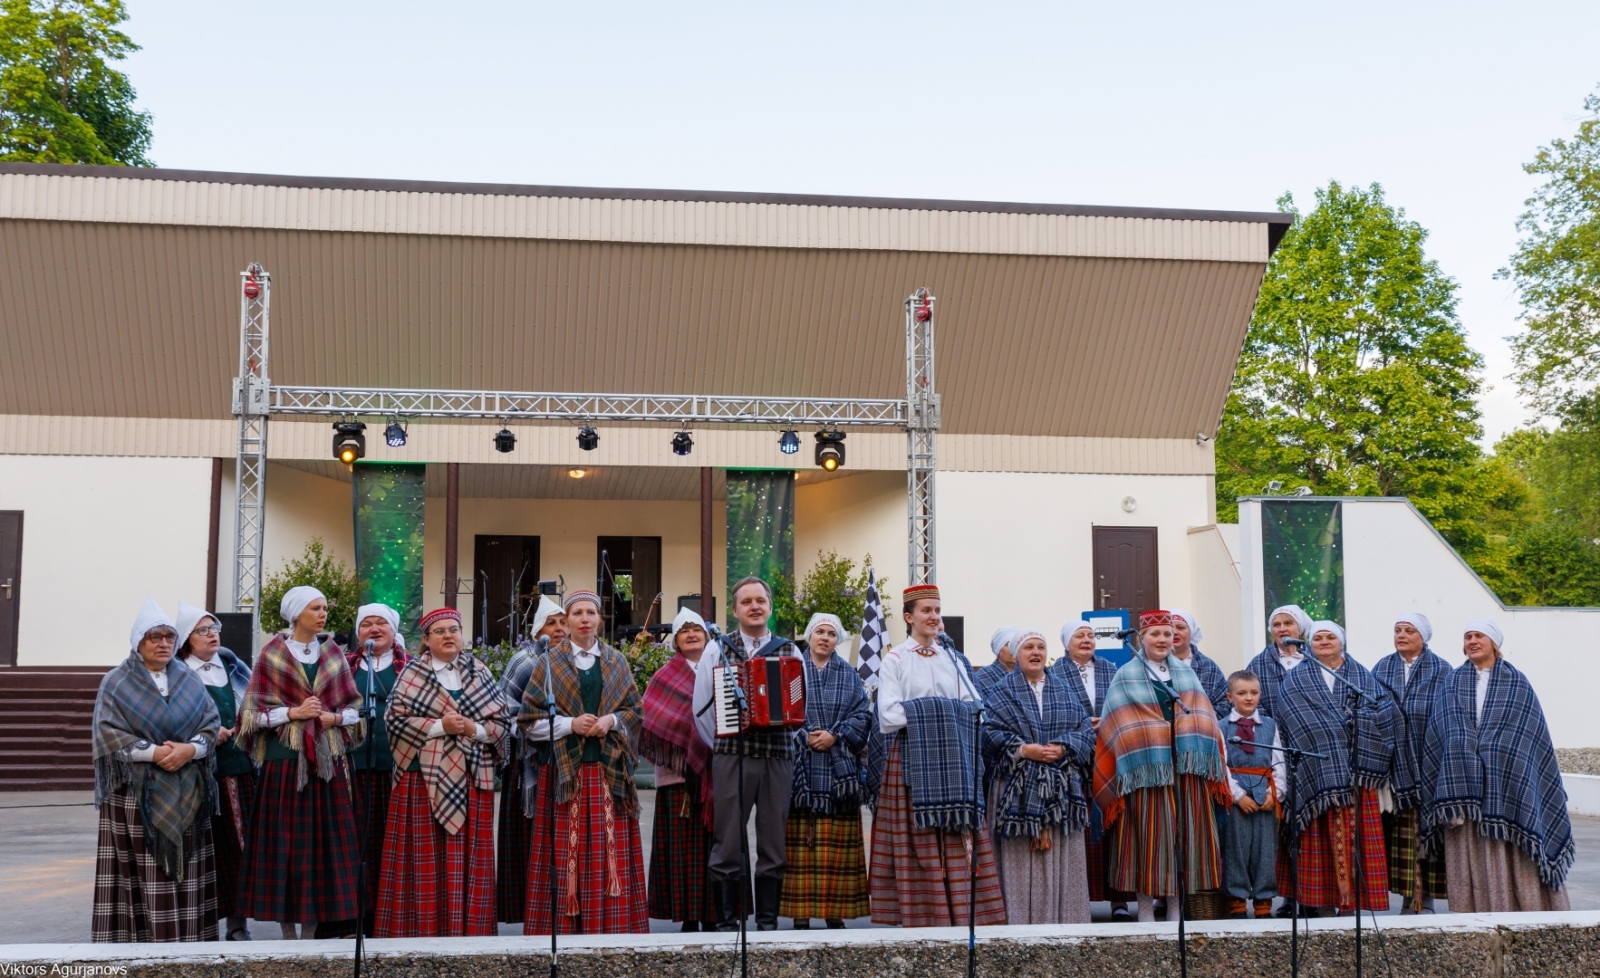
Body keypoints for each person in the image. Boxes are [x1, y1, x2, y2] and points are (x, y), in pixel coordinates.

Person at [868, 583, 1007, 927]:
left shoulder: (954, 659)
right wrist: (941, 710)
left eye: (937, 610)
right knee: (919, 838)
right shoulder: (895, 660)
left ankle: (959, 912)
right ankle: (924, 914)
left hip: (954, 755)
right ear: (908, 617)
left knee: (957, 834)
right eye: (926, 610)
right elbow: (887, 716)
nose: (934, 617)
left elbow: (975, 707)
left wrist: (928, 710)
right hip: (912, 753)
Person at [235, 586, 366, 940]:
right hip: (284, 765)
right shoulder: (272, 656)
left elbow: (354, 710)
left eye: (324, 608)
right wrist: (292, 712)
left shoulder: (334, 654)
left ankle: (310, 933)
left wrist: (332, 719)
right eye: (314, 608)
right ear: (296, 615)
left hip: (327, 766)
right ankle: (288, 934)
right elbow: (249, 717)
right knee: (286, 850)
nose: (322, 614)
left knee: (322, 849)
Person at [1420, 620, 1574, 912]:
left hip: (1511, 789)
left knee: (1514, 851)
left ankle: (1525, 908)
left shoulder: (1516, 682)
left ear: (1494, 643)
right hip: (1462, 795)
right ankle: (1471, 911)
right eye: (1467, 637)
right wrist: (1463, 749)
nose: (1472, 641)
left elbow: (1529, 734)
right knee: (1470, 853)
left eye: (1479, 636)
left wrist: (1493, 748)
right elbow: (1440, 731)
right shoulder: (1452, 681)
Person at [91, 599, 220, 942]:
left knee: (187, 872)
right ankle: (140, 944)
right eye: (155, 637)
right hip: (136, 798)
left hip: (188, 792)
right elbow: (107, 735)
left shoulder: (189, 681)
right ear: (138, 643)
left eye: (169, 637)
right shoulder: (117, 683)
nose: (164, 643)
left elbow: (210, 724)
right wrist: (156, 753)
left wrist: (190, 750)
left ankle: (190, 943)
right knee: (144, 875)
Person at [375, 607, 508, 936]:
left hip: (472, 779)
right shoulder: (412, 673)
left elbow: (502, 724)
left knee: (470, 861)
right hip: (421, 781)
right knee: (422, 861)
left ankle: (469, 933)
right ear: (426, 640)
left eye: (454, 629)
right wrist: (440, 726)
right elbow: (394, 721)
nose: (449, 635)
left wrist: (472, 729)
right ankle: (418, 931)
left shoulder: (480, 672)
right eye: (440, 631)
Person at [521, 590, 648, 935]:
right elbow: (529, 720)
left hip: (609, 771)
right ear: (568, 620)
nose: (584, 618)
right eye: (576, 613)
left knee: (609, 854)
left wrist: (611, 721)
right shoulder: (549, 662)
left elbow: (635, 711)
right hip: (564, 773)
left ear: (599, 619)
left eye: (591, 612)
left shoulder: (616, 661)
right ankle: (560, 930)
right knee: (564, 854)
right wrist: (569, 725)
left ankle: (612, 927)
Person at [1092, 609, 1231, 923]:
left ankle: (1175, 908)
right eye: (1155, 634)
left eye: (1167, 634)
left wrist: (1186, 737)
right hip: (1145, 771)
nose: (1162, 639)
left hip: (1184, 772)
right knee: (1147, 840)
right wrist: (1153, 735)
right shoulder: (1126, 674)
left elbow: (1203, 717)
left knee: (1181, 839)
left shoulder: (1186, 674)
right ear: (1142, 638)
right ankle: (1144, 909)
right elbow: (1117, 723)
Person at [691, 577, 802, 931]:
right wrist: (723, 746)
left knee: (773, 842)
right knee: (728, 841)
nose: (754, 606)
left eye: (760, 600)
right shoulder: (718, 648)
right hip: (732, 759)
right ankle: (727, 923)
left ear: (769, 606)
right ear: (735, 609)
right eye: (746, 601)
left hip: (776, 759)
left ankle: (767, 924)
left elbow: (800, 708)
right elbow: (701, 708)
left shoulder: (790, 651)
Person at [1274, 620, 1395, 916]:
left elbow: (1383, 711)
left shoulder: (1361, 676)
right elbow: (1290, 716)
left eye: (1330, 637)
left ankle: (1352, 906)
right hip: (1316, 778)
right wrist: (1337, 728)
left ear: (1342, 642)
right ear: (1309, 644)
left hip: (1357, 778)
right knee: (1319, 845)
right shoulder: (1296, 679)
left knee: (1357, 844)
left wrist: (1352, 724)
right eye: (1318, 638)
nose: (1324, 642)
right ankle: (1324, 906)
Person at [983, 629, 1095, 924]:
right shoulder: (1001, 691)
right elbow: (989, 733)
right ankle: (1015, 925)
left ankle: (1064, 924)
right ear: (1016, 654)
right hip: (1015, 788)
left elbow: (1085, 730)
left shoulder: (1064, 690)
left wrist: (1063, 748)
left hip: (1060, 788)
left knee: (1063, 861)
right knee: (1016, 861)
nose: (1035, 652)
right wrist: (1023, 750)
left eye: (1041, 647)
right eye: (1028, 647)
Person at [783, 612, 874, 929]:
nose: (825, 638)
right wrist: (802, 735)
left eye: (831, 634)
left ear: (838, 640)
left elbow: (863, 715)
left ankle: (835, 913)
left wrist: (835, 734)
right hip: (801, 773)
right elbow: (782, 711)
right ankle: (801, 914)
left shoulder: (849, 675)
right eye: (819, 632)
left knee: (836, 854)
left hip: (839, 777)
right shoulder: (793, 672)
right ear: (809, 635)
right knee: (800, 851)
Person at [174, 601, 255, 941]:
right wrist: (206, 731)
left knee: (242, 848)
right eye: (203, 631)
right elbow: (171, 719)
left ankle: (238, 925)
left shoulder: (234, 666)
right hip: (200, 772)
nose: (212, 635)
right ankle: (202, 924)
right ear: (187, 639)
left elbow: (253, 701)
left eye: (215, 629)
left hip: (243, 767)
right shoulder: (178, 674)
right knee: (208, 849)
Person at [640, 607, 720, 932]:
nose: (691, 635)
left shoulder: (721, 671)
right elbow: (652, 719)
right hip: (678, 779)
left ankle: (714, 914)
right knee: (683, 852)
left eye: (696, 630)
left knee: (714, 845)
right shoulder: (664, 676)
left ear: (706, 635)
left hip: (716, 776)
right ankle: (687, 915)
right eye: (684, 631)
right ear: (676, 640)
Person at [1052, 620, 1133, 919]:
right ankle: (1078, 901)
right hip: (1074, 762)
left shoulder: (1111, 669)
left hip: (1109, 757)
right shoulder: (1055, 673)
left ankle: (1119, 902)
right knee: (1080, 835)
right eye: (1079, 635)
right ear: (1066, 643)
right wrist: (1084, 725)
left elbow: (1125, 704)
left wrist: (1108, 721)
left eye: (1090, 635)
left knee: (1116, 829)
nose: (1086, 639)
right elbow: (1054, 711)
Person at [1373, 612, 1449, 914]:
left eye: (1409, 630)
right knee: (1401, 835)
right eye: (1397, 630)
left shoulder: (1442, 670)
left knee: (1428, 832)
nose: (1401, 635)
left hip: (1429, 763)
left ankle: (1425, 897)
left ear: (1424, 637)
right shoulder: (1381, 668)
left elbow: (1449, 715)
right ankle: (1407, 897)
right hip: (1395, 768)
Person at [498, 595, 567, 925]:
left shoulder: (573, 660)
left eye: (563, 622)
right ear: (538, 628)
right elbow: (504, 708)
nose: (558, 629)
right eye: (551, 623)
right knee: (530, 840)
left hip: (568, 760)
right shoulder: (524, 660)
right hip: (528, 761)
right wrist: (535, 729)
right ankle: (530, 907)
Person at [345, 602, 409, 935]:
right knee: (356, 844)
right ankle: (357, 917)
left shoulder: (411, 667)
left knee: (392, 842)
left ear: (393, 629)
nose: (373, 629)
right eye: (366, 624)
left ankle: (391, 916)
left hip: (399, 769)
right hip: (353, 768)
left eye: (380, 623)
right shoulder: (343, 666)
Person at [1219, 670, 1285, 919]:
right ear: (1229, 696)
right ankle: (1236, 901)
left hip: (1264, 791)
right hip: (1236, 794)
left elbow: (1278, 761)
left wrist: (1275, 793)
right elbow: (1220, 764)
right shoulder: (1222, 727)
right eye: (1242, 693)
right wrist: (1236, 795)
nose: (1248, 698)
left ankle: (1263, 901)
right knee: (1235, 846)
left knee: (1265, 847)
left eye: (1254, 693)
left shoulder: (1269, 726)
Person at [1245, 604, 1313, 721]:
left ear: (1300, 629)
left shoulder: (1316, 659)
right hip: (1273, 733)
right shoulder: (1258, 664)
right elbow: (1249, 699)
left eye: (1288, 623)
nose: (1282, 629)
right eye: (1276, 625)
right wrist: (1270, 726)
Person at [1170, 610, 1229, 717]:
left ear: (1191, 632)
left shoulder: (1208, 666)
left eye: (1181, 627)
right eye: (1170, 628)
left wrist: (1204, 719)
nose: (1174, 632)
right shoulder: (1154, 665)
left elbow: (1224, 702)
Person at [974, 626, 1019, 694]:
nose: (1014, 649)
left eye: (1016, 645)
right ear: (998, 649)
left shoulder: (1025, 674)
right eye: (1008, 645)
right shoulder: (982, 676)